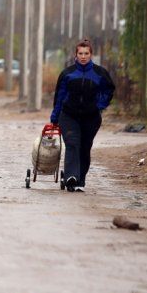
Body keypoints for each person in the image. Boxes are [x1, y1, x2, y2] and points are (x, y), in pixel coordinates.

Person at [50, 39, 115, 192]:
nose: (83, 56)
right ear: (76, 55)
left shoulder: (100, 73)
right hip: (69, 115)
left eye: (86, 53)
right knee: (72, 144)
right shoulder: (67, 73)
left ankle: (79, 178)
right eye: (80, 53)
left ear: (91, 55)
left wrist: (100, 105)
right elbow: (59, 96)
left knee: (85, 148)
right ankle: (70, 178)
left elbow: (109, 90)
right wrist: (55, 116)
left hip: (91, 117)